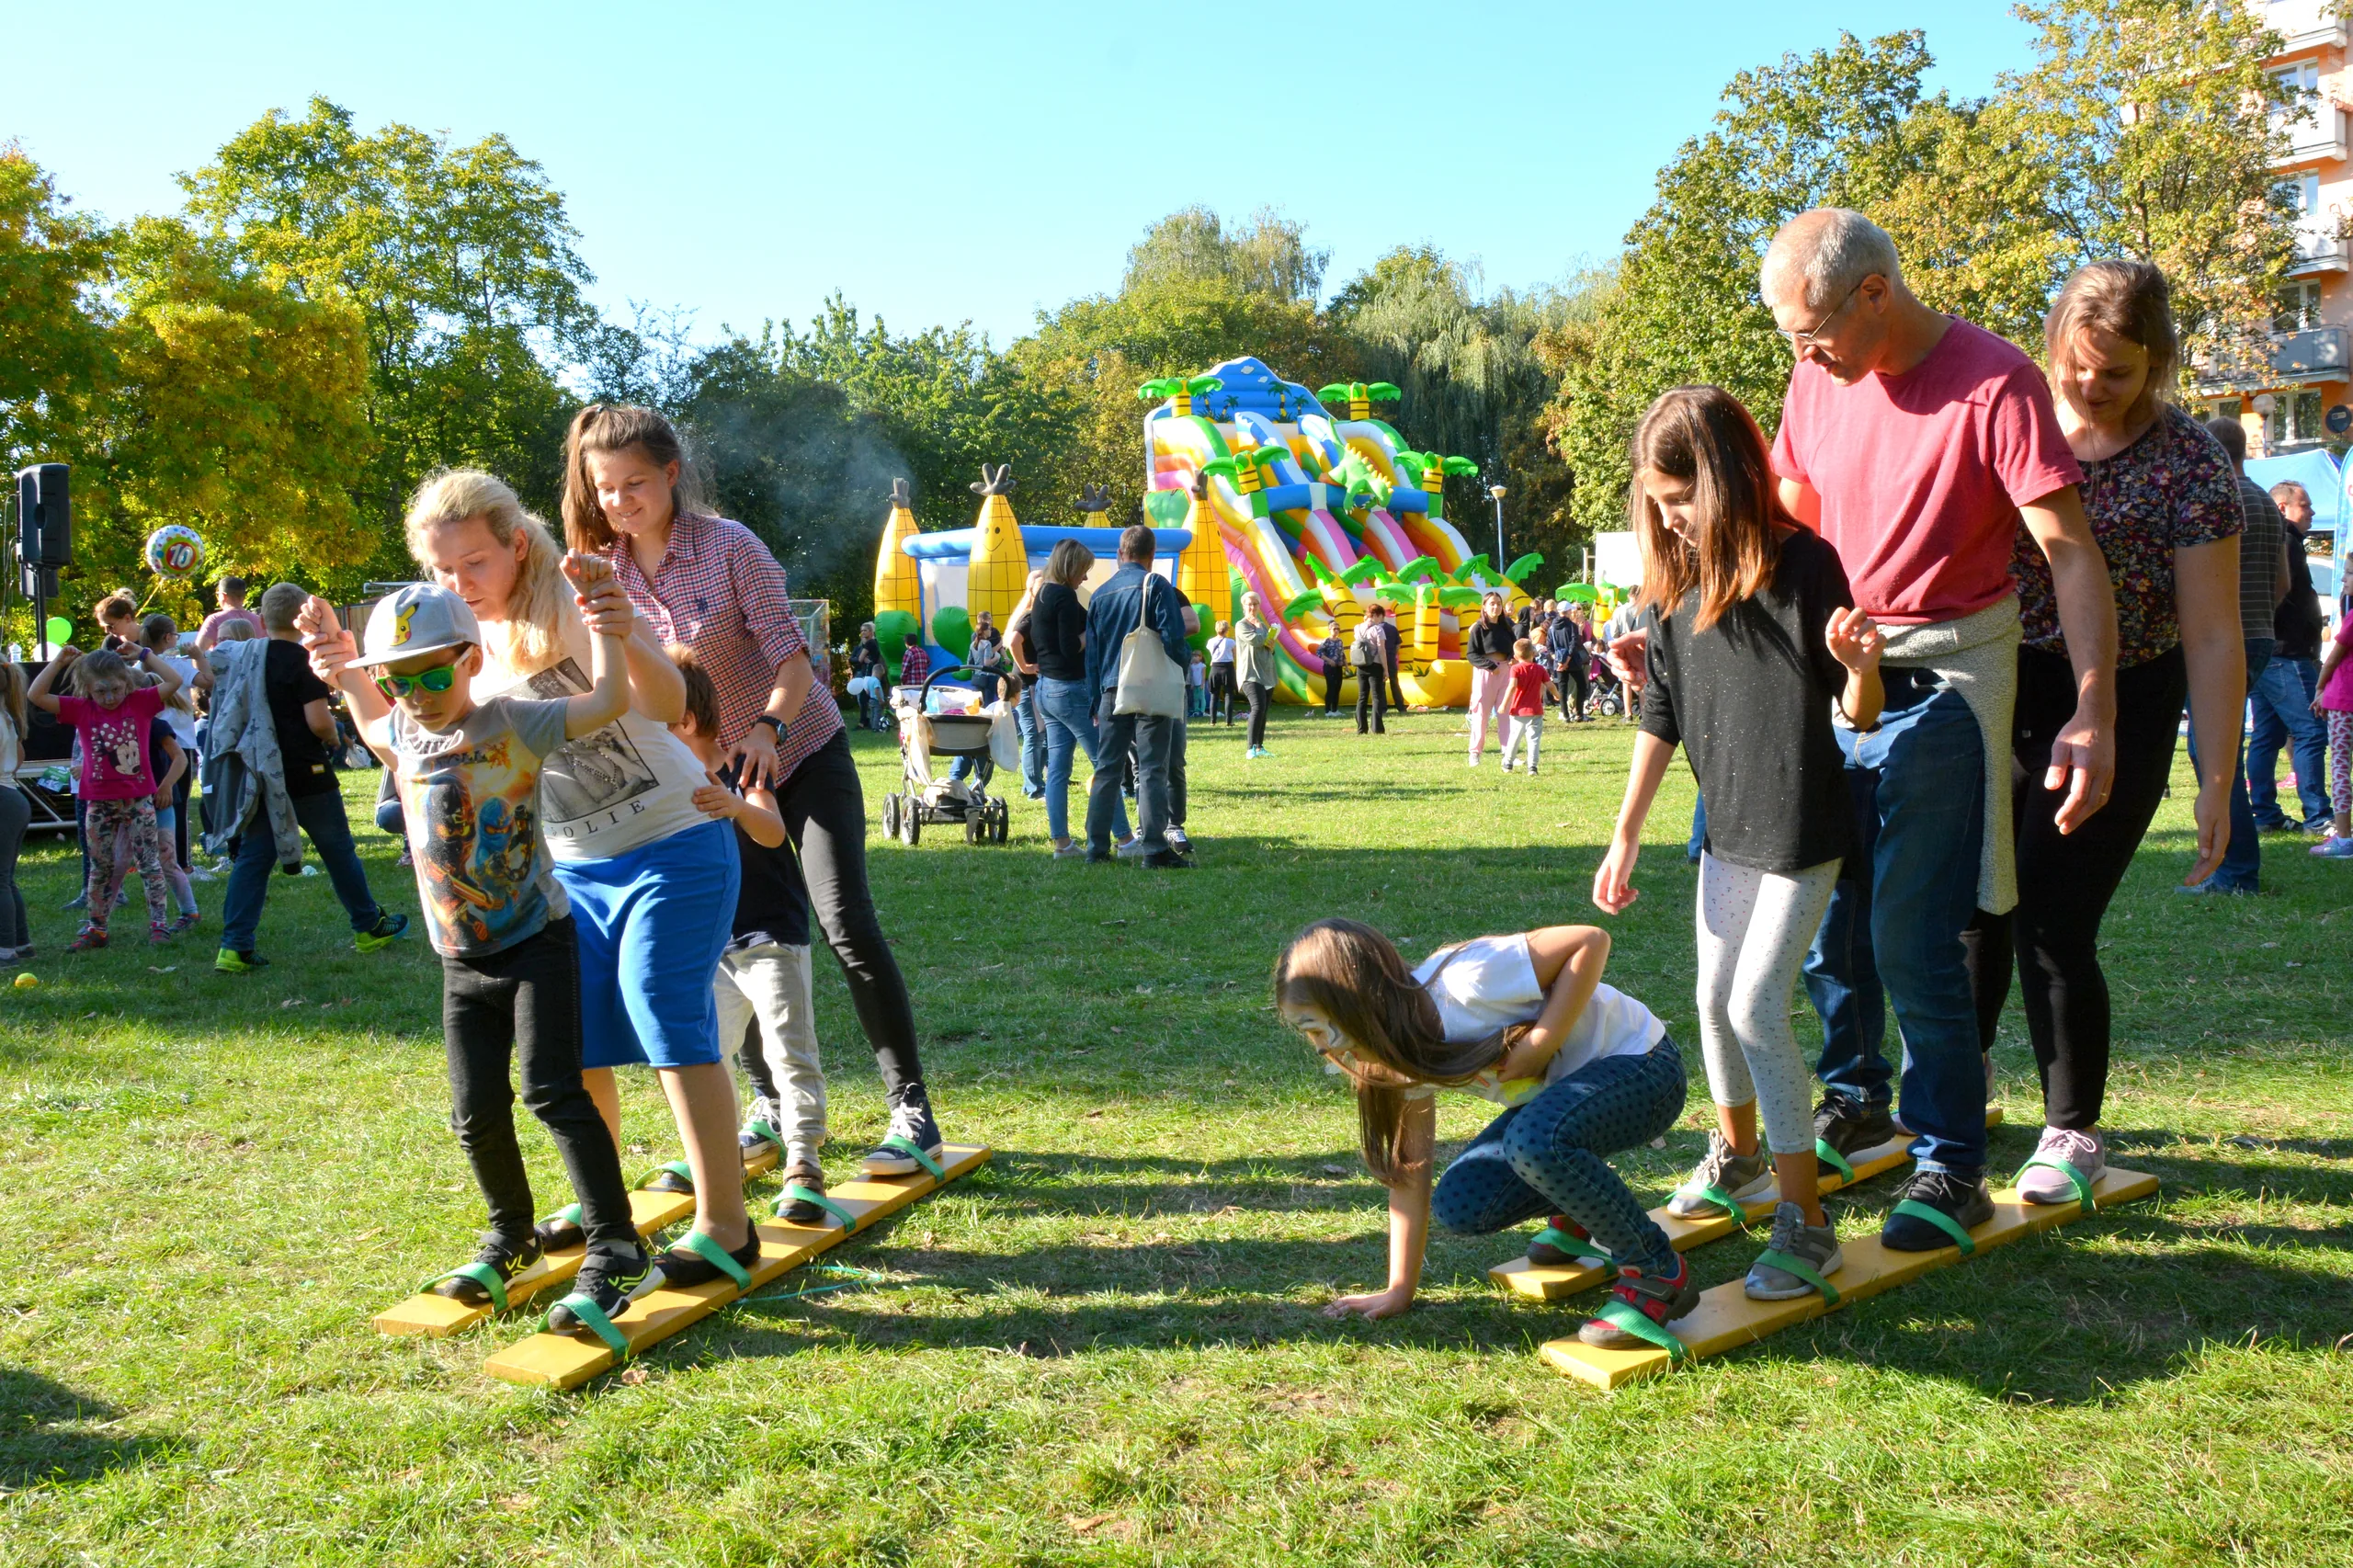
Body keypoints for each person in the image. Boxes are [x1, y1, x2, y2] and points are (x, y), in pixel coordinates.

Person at [1743, 208, 2119, 1252]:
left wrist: (2093, 707)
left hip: (1951, 672)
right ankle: (1853, 1096)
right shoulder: (1819, 375)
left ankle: (1949, 1162)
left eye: (1808, 328)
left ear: (1874, 292)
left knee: (1914, 933)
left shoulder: (1994, 380)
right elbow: (1791, 507)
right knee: (1823, 918)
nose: (1800, 353)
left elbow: (2070, 552)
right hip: (1841, 669)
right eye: (1788, 337)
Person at [335, 467, 755, 1309]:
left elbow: (671, 704)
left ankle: (726, 1223)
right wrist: (345, 674)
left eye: (476, 564)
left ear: (516, 545)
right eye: (445, 570)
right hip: (571, 869)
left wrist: (618, 624)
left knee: (662, 1007)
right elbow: (412, 749)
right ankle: (603, 1209)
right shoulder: (448, 643)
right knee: (580, 1038)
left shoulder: (568, 597)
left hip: (674, 839)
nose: (460, 584)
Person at [565, 404, 949, 1176]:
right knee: (730, 946)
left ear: (671, 474)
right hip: (707, 778)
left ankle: (912, 1111)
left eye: (635, 483)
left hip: (799, 749)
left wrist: (766, 731)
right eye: (604, 488)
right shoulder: (604, 571)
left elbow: (792, 658)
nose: (619, 501)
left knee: (844, 925)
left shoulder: (730, 546)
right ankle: (771, 1109)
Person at [1959, 261, 2245, 1204]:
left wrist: (2215, 776)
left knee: (2052, 911)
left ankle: (2069, 1129)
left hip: (2128, 691)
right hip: (2005, 679)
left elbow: (2209, 633)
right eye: (2076, 366)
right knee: (1976, 900)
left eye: (2114, 372)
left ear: (2155, 365)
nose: (2088, 386)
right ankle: (1957, 1088)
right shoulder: (2010, 424)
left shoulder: (2190, 464)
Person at [1596, 384, 1887, 1301]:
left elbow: (1856, 715)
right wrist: (1625, 832)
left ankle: (1806, 1224)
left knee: (1759, 1006)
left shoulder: (1807, 565)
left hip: (1803, 824)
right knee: (1712, 999)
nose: (1671, 518)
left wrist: (1861, 669)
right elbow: (1662, 711)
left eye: (1681, 499)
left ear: (1725, 481)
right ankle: (1742, 1158)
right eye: (1657, 503)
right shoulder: (1674, 585)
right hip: (1726, 828)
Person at [319, 578, 651, 1324]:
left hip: (536, 941)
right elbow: (371, 720)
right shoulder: (403, 728)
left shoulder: (514, 722)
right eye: (398, 680)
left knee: (553, 1093)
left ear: (470, 660)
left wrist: (607, 629)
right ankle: (512, 1233)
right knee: (475, 1111)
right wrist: (342, 667)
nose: (418, 693)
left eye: (435, 674)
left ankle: (617, 1246)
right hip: (460, 961)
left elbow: (606, 704)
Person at [1275, 918, 1698, 1350]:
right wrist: (1399, 1290)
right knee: (1462, 1204)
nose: (1320, 1048)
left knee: (1535, 1141)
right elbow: (1410, 1172)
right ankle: (1579, 1208)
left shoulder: (1467, 982)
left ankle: (1656, 1272)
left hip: (1646, 1070)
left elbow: (1589, 940)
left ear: (1354, 1002)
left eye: (1314, 1028)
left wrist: (1542, 1042)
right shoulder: (1391, 1058)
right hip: (1567, 1106)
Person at [666, 645, 836, 1221]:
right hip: (712, 948)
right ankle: (715, 1157)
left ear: (686, 721)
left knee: (790, 1052)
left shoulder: (741, 770)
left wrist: (734, 807)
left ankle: (804, 1160)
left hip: (769, 938)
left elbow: (770, 831)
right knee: (707, 1053)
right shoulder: (665, 787)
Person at [212, 584, 408, 972]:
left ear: (263, 619)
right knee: (337, 850)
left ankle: (234, 946)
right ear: (304, 620)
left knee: (253, 856)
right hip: (306, 770)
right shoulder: (304, 661)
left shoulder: (250, 657)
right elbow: (318, 722)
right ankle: (368, 925)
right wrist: (335, 736)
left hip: (262, 774)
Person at [2177, 416, 2287, 895]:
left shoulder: (2216, 496)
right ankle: (2236, 866)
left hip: (2222, 639)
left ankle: (2236, 871)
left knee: (2214, 755)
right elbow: (2283, 582)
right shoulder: (2265, 500)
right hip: (2262, 632)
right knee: (2220, 749)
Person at [28, 643, 185, 949]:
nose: (110, 698)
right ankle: (97, 927)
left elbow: (174, 682)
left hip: (138, 800)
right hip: (98, 803)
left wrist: (144, 654)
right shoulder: (81, 709)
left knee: (149, 863)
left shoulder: (139, 703)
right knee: (100, 866)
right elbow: (35, 695)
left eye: (115, 689)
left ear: (127, 683)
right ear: (88, 689)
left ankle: (159, 924)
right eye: (101, 692)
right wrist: (58, 661)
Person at [1082, 524, 1196, 869]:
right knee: (1150, 769)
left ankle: (1095, 847)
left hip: (1110, 689)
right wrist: (1183, 663)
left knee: (1107, 769)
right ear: (1152, 554)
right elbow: (1173, 636)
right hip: (1148, 684)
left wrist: (1094, 699)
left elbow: (1093, 656)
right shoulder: (1156, 585)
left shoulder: (1100, 594)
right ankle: (1155, 849)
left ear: (1121, 552)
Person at [1030, 540, 1129, 857]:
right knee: (1105, 763)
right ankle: (1125, 839)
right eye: (1083, 571)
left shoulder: (1042, 593)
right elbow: (1071, 646)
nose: (1085, 579)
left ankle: (1062, 842)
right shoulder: (1063, 595)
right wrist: (1096, 632)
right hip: (1071, 689)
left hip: (1046, 688)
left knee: (1057, 770)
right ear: (1071, 567)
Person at [2249, 482, 2331, 834]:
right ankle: (2318, 816)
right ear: (2283, 508)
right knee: (2311, 730)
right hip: (2286, 655)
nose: (2311, 512)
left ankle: (2265, 814)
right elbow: (2277, 591)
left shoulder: (2283, 539)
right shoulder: (2283, 539)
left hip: (2271, 651)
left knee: (2267, 734)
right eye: (2306, 506)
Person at [142, 615, 199, 877]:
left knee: (149, 806)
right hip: (180, 745)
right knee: (178, 805)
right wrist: (199, 656)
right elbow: (208, 681)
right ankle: (183, 865)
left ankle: (152, 862)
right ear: (168, 638)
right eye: (175, 635)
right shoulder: (179, 665)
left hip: (148, 743)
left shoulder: (137, 665)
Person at [1003, 571, 1051, 800]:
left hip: (1029, 684)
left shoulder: (1032, 614)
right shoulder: (1031, 616)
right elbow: (1013, 642)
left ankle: (1032, 783)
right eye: (1041, 587)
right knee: (1034, 734)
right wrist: (1026, 666)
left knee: (1039, 733)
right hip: (1027, 684)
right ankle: (1034, 787)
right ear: (1032, 589)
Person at [2312, 608, 2353, 858]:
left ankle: (2345, 839)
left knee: (2340, 766)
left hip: (2343, 699)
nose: (2344, 579)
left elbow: (2333, 658)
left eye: (2349, 573)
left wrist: (2319, 688)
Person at [1465, 591, 1516, 767]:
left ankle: (1508, 753)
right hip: (1486, 673)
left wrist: (1511, 658)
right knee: (1481, 714)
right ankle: (1475, 753)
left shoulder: (1507, 626)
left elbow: (1514, 647)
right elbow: (1471, 655)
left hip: (1505, 671)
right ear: (1484, 607)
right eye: (1492, 604)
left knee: (1506, 713)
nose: (1496, 607)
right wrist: (1490, 666)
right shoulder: (1479, 628)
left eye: (1499, 604)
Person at [0, 661, 28, 961]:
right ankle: (21, 944)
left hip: (4, 801)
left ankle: (5, 950)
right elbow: (18, 758)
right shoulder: (7, 716)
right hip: (13, 798)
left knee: (0, 879)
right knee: (5, 878)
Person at [1499, 637, 1560, 776]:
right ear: (1533, 653)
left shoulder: (1515, 669)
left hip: (1518, 711)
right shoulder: (1540, 669)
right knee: (1533, 740)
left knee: (1514, 737)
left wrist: (1503, 704)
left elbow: (1512, 687)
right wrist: (1557, 695)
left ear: (1515, 656)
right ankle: (1532, 767)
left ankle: (1508, 763)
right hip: (1536, 711)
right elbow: (1549, 685)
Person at [1233, 592, 1277, 759]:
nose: (1252, 607)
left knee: (1264, 711)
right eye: (1249, 604)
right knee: (1257, 708)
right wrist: (1259, 627)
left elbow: (1269, 648)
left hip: (1266, 674)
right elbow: (1257, 641)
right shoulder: (1241, 625)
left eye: (1255, 604)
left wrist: (1272, 647)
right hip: (1250, 674)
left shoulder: (1264, 627)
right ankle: (1250, 748)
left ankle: (1259, 747)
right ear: (1244, 606)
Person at [1353, 604, 1392, 734]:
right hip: (1375, 665)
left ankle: (1361, 728)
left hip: (1361, 665)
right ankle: (1377, 728)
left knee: (1362, 697)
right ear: (1376, 615)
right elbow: (1382, 650)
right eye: (1381, 616)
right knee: (1377, 697)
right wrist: (1386, 669)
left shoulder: (1357, 628)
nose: (1381, 620)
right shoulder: (1378, 629)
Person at [197, 576, 265, 650]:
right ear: (243, 596)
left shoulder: (214, 620)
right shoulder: (260, 621)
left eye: (217, 594)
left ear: (223, 596)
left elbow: (198, 651)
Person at [1549, 606, 1590, 722]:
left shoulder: (1552, 627)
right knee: (1581, 685)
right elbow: (1573, 644)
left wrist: (1558, 660)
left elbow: (1549, 646)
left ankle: (1565, 714)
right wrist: (1567, 660)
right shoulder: (1572, 626)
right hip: (1573, 661)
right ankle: (1579, 713)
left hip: (1559, 662)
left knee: (1562, 688)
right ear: (1567, 612)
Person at [850, 621, 886, 733]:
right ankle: (869, 721)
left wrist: (859, 659)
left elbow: (859, 659)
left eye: (865, 630)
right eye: (861, 630)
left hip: (868, 674)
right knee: (867, 699)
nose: (863, 632)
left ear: (871, 632)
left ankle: (864, 722)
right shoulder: (872, 643)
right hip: (870, 673)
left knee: (865, 698)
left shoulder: (869, 643)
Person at [968, 611, 1004, 707]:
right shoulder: (987, 644)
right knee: (989, 704)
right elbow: (987, 663)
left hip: (977, 677)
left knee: (978, 705)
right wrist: (997, 657)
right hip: (988, 677)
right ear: (983, 631)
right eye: (988, 629)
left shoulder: (972, 644)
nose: (990, 631)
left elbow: (969, 662)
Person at [1206, 620, 1238, 725]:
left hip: (1215, 667)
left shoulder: (1210, 641)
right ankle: (1229, 721)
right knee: (1229, 694)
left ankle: (1212, 721)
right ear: (1227, 629)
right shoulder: (1231, 642)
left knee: (1214, 695)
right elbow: (1235, 655)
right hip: (1227, 667)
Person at [1316, 623, 1346, 717]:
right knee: (1331, 688)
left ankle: (1335, 709)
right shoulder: (1326, 641)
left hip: (1338, 667)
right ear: (1329, 630)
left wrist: (1346, 665)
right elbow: (1319, 652)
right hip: (1329, 667)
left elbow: (1342, 653)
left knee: (1337, 688)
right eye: (1334, 629)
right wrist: (1329, 660)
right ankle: (1328, 710)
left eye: (1338, 629)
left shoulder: (1340, 641)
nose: (1336, 630)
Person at [1188, 650, 1207, 719]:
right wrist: (1192, 684)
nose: (1194, 658)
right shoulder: (1192, 666)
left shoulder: (1202, 666)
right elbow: (1192, 676)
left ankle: (1202, 710)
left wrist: (1202, 684)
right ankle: (1196, 710)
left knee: (1201, 697)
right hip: (1195, 684)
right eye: (1193, 656)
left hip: (1200, 684)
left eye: (1196, 656)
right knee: (1195, 698)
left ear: (1200, 657)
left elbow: (1203, 675)